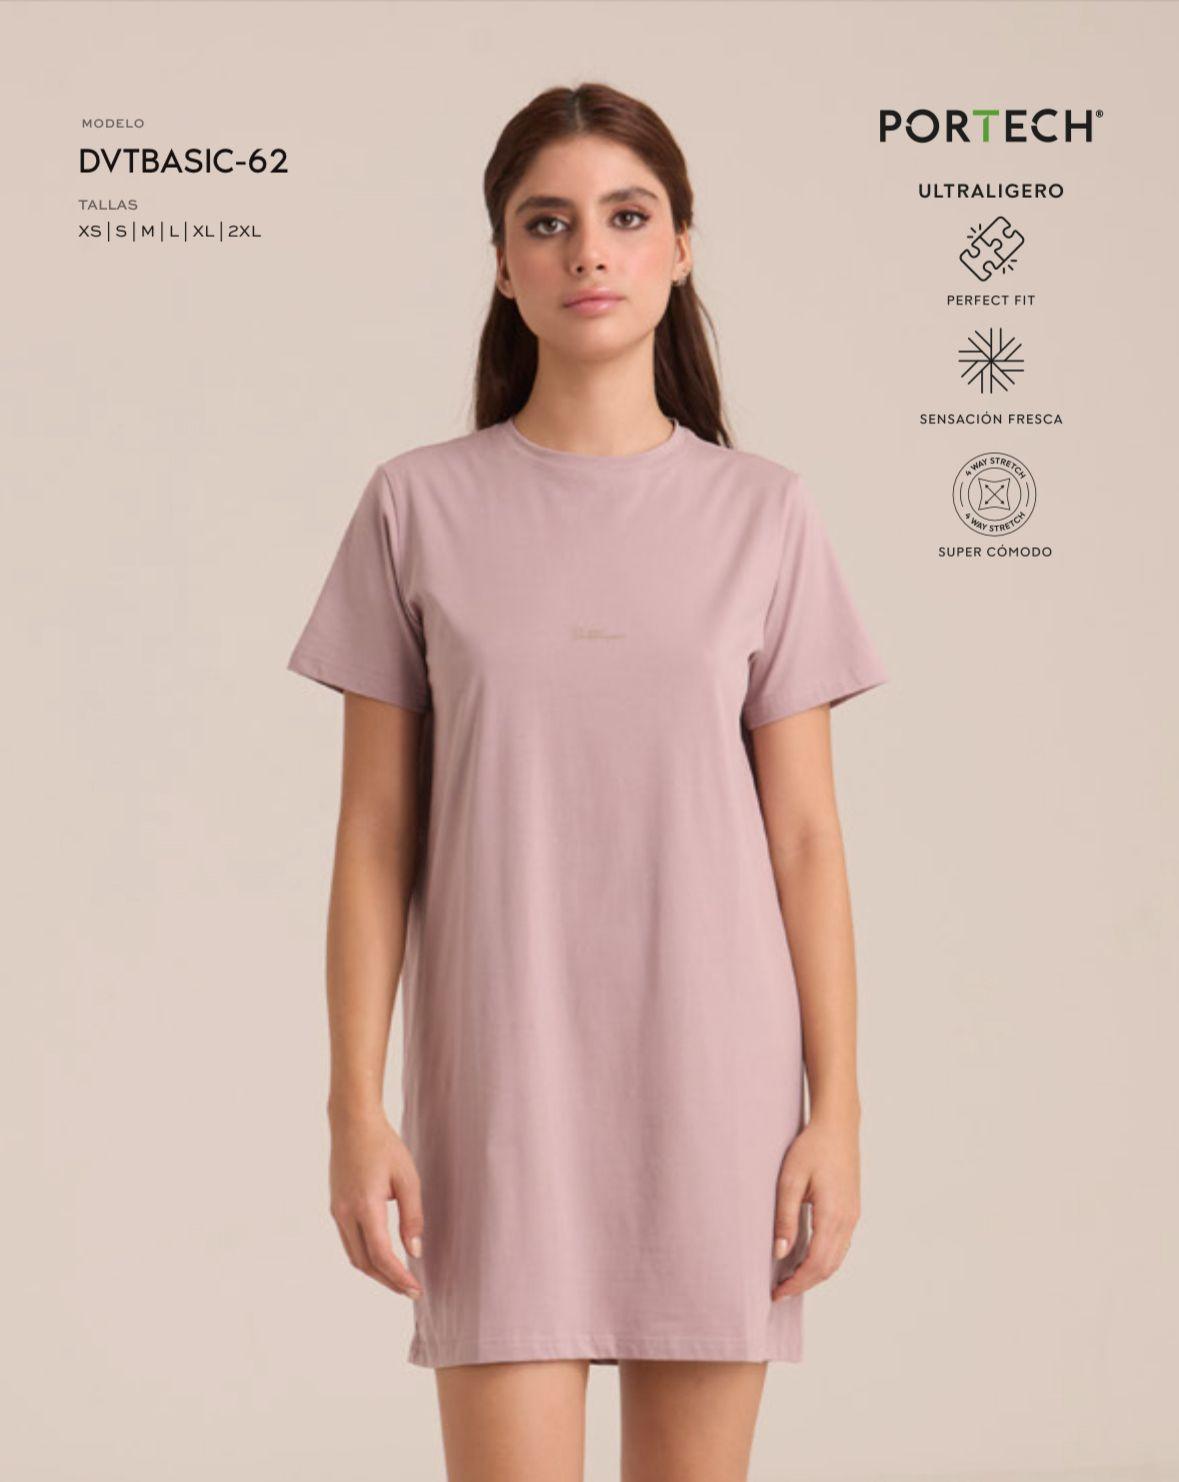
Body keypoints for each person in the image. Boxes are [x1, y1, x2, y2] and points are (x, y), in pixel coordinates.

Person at [287, 81, 888, 1482]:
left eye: (626, 216)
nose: (589, 252)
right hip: (498, 1083)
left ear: (680, 249)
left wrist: (838, 1110)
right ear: (504, 265)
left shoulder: (765, 512)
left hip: (718, 1081)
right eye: (547, 223)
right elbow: (373, 835)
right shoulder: (416, 504)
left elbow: (807, 836)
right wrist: (354, 1105)